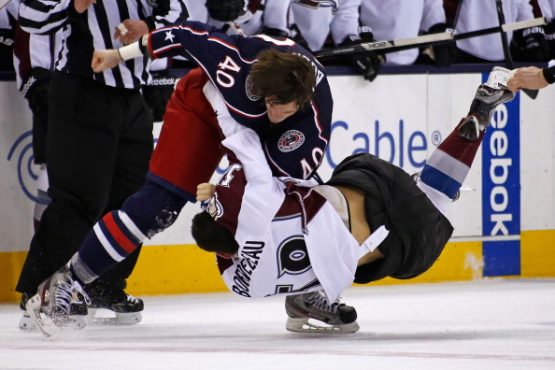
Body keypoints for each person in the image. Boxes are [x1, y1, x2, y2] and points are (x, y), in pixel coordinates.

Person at [24, 20, 333, 337]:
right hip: (201, 107)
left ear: (303, 100)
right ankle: (66, 283)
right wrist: (120, 54)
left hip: (259, 140)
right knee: (158, 207)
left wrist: (222, 192)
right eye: (267, 101)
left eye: (282, 107)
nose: (273, 111)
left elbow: (268, 185)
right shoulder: (234, 61)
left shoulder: (312, 125)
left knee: (299, 206)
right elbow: (182, 35)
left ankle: (306, 292)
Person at [189, 66, 516, 334]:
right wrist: (213, 87)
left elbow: (233, 251)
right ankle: (468, 128)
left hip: (363, 252)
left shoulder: (238, 286)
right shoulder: (250, 209)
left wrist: (222, 200)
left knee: (431, 202)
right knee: (423, 195)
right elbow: (245, 147)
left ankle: (306, 297)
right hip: (355, 192)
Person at [16, 0, 189, 327]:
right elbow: (31, 17)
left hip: (132, 96)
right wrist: (74, 5)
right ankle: (39, 292)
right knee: (78, 198)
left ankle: (103, 286)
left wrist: (149, 28)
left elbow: (178, 10)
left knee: (134, 200)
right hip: (81, 92)